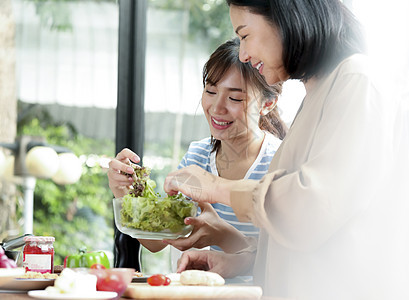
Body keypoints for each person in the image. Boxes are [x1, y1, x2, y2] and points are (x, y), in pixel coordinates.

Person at [164, 0, 409, 299]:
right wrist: (241, 261)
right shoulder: (320, 92)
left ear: (286, 19)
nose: (243, 53)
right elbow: (312, 237)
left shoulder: (358, 80)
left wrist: (216, 187)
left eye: (245, 35)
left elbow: (311, 207)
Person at [107, 38, 287, 276]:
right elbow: (157, 241)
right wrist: (124, 193)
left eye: (234, 98)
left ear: (268, 103)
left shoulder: (280, 160)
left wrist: (224, 237)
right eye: (210, 91)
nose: (216, 107)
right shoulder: (198, 155)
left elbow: (287, 259)